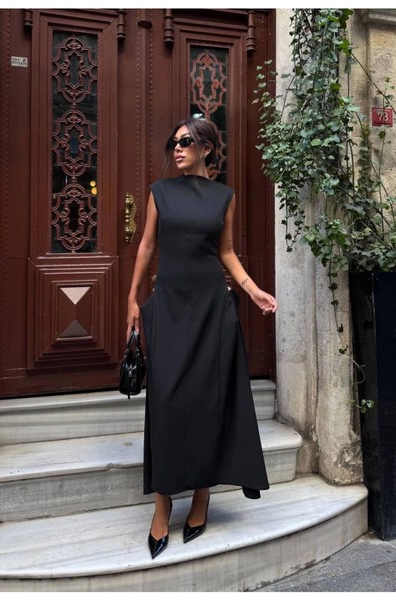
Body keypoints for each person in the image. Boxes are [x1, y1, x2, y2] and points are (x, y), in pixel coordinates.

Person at [126, 117, 278, 560]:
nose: (177, 148)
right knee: (166, 401)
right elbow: (147, 246)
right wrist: (133, 299)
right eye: (174, 142)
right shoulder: (159, 192)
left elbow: (225, 251)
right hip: (169, 307)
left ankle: (201, 497)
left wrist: (253, 290)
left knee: (207, 400)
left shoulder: (224, 197)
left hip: (213, 308)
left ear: (207, 149)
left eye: (186, 142)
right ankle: (162, 504)